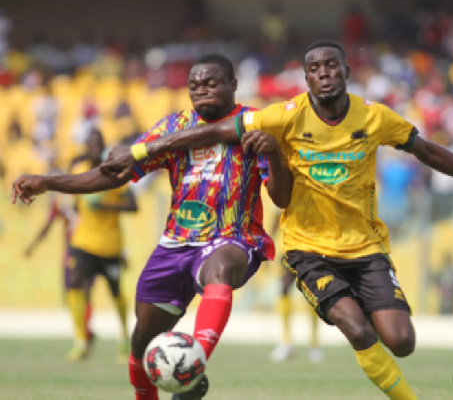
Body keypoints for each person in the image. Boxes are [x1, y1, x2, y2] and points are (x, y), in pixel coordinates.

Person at [98, 40, 453, 399]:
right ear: (306, 78)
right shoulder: (286, 115)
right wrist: (141, 150)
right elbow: (214, 130)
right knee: (355, 326)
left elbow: (428, 152)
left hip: (365, 247)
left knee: (401, 341)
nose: (324, 73)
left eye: (332, 65)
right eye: (314, 68)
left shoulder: (375, 117)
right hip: (308, 248)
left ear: (346, 73)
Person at [12, 53, 293, 400]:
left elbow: (281, 198)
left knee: (219, 268)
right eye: (194, 86)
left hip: (234, 237)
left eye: (211, 83)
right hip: (176, 244)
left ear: (233, 85)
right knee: (141, 345)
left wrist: (276, 155)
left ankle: (194, 359)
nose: (201, 91)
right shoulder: (173, 126)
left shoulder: (254, 123)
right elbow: (113, 173)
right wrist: (49, 182)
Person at [66, 128, 138, 363]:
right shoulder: (79, 170)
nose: (95, 146)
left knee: (116, 292)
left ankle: (125, 340)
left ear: (104, 145)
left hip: (110, 246)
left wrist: (106, 206)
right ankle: (80, 341)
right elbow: (75, 205)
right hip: (83, 242)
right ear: (87, 146)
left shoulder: (117, 173)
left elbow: (133, 206)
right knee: (75, 283)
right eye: (92, 142)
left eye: (99, 142)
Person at [23, 164, 95, 352]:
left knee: (83, 290)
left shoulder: (85, 195)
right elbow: (49, 224)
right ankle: (84, 333)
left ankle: (83, 337)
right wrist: (32, 245)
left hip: (88, 248)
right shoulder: (61, 199)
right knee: (72, 294)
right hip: (72, 251)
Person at [267, 209, 324, 363]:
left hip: (309, 249)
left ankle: (314, 344)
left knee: (311, 293)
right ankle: (286, 342)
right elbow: (276, 216)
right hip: (288, 249)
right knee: (284, 290)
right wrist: (270, 244)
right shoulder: (285, 189)